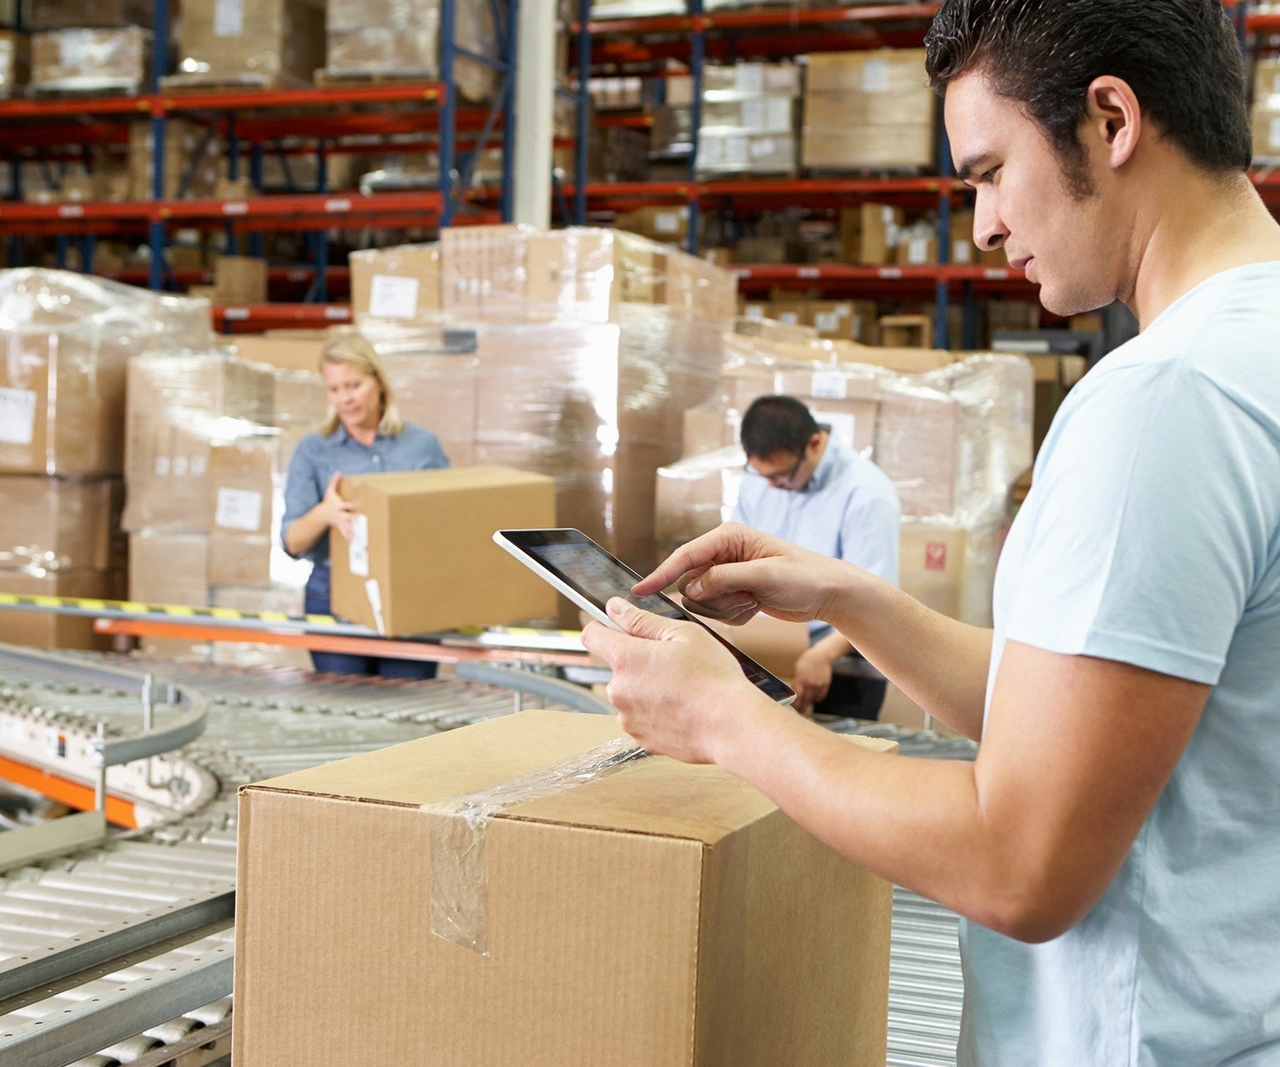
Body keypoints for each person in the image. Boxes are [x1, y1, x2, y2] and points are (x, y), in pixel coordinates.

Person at [582, 1, 1280, 1063]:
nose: (984, 224)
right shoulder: (1253, 351)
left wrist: (725, 719)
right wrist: (851, 598)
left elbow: (1020, 861)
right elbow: (1112, 713)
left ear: (1109, 120)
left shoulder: (1162, 401)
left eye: (989, 171)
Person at [282, 328, 449, 678]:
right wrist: (324, 513)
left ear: (378, 382)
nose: (345, 399)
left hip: (410, 594)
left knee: (410, 713)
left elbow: (448, 524)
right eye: (335, 389)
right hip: (333, 596)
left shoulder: (421, 446)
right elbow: (292, 542)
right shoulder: (313, 450)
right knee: (351, 715)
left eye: (354, 385)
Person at [734, 395, 900, 717]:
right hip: (772, 648)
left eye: (782, 476)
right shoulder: (761, 480)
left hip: (840, 657)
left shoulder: (866, 493)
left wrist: (823, 655)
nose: (772, 486)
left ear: (813, 444)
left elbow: (875, 600)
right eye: (762, 475)